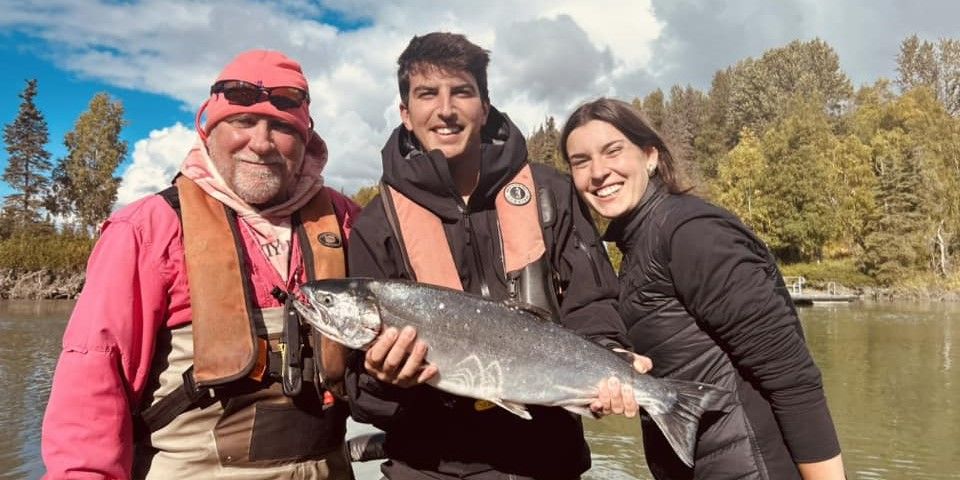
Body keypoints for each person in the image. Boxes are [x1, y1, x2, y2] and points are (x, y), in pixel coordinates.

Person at [41, 50, 360, 479]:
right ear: (208, 130)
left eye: (282, 127)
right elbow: (92, 380)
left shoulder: (345, 221)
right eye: (243, 121)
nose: (261, 142)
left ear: (306, 141)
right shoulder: (146, 229)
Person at [343, 32, 648, 480]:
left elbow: (594, 302)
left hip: (550, 461)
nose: (445, 109)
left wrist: (609, 354)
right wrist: (381, 378)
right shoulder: (375, 225)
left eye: (461, 92)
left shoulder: (550, 192)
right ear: (405, 113)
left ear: (484, 108)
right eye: (427, 94)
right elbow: (362, 398)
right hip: (429, 467)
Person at [560, 97, 846, 480]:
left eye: (613, 151)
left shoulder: (691, 233)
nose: (598, 172)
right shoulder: (638, 245)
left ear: (650, 156)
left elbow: (791, 377)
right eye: (581, 161)